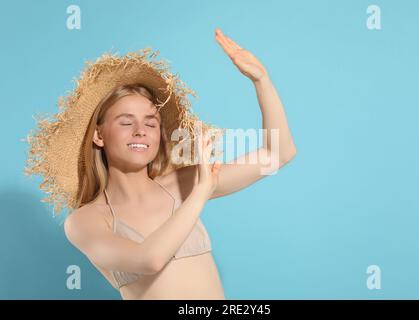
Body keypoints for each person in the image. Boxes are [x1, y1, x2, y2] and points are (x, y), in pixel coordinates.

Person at [24, 28, 297, 300]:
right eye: (126, 122)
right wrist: (202, 191)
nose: (141, 130)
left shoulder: (180, 185)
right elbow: (149, 259)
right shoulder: (85, 221)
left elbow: (277, 155)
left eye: (151, 123)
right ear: (99, 135)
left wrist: (261, 81)